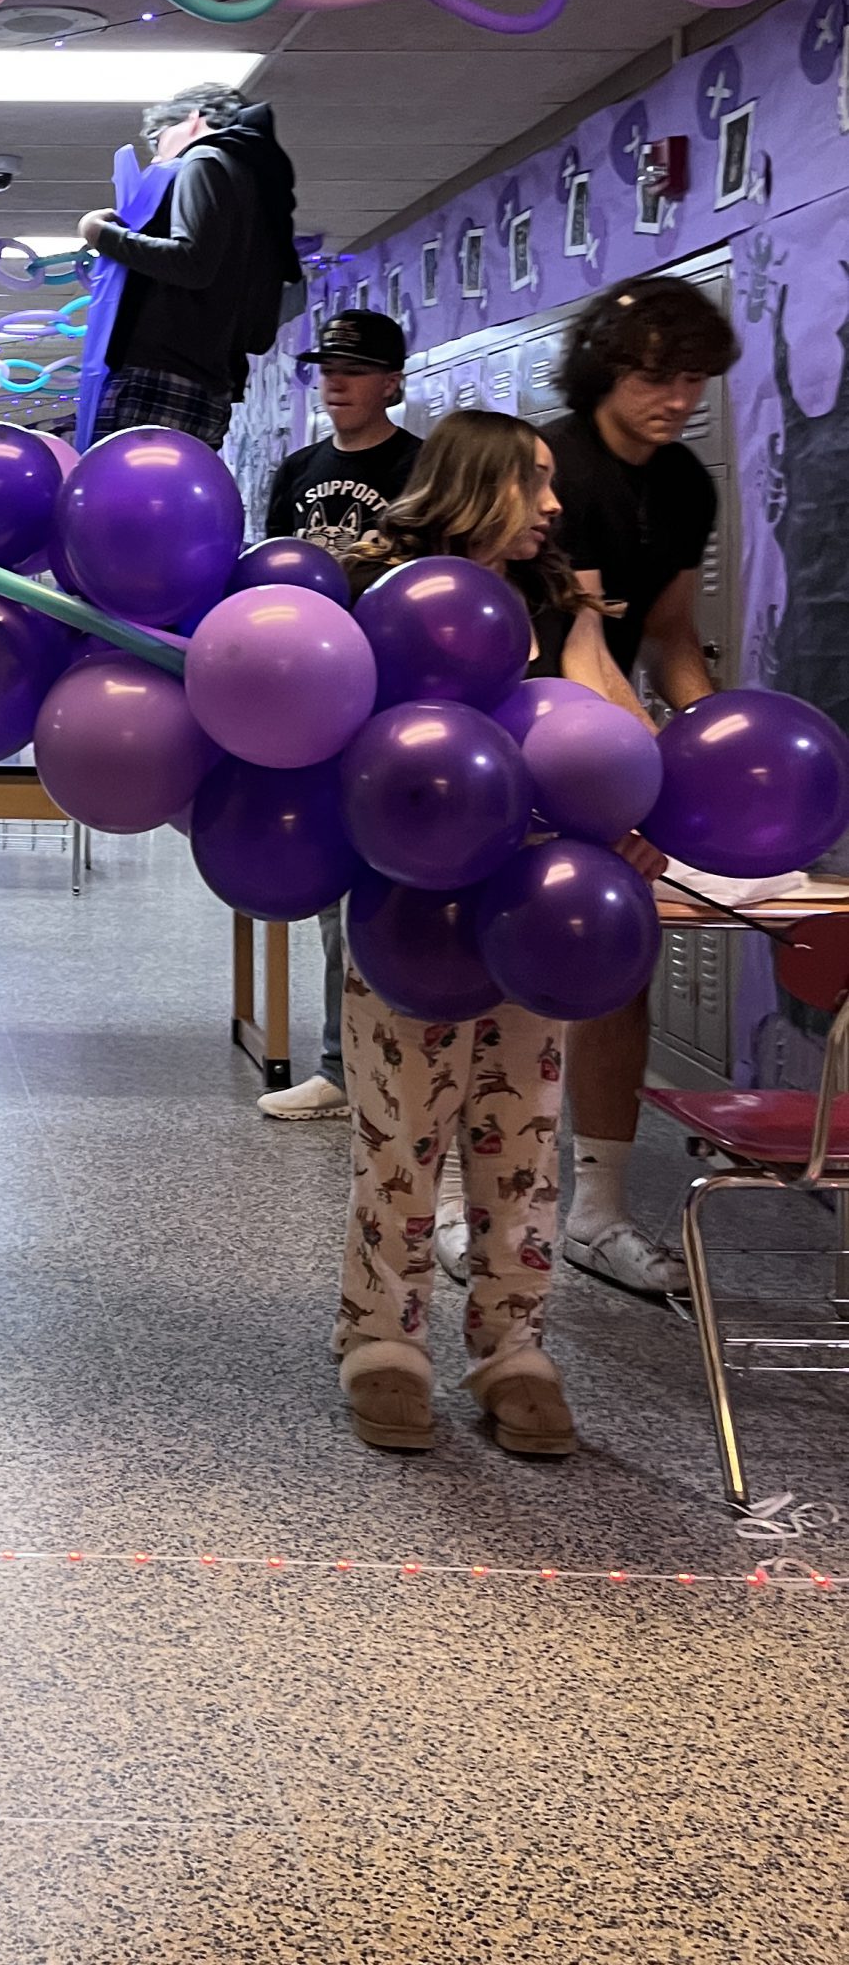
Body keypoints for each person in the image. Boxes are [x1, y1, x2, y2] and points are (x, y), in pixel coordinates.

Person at [334, 409, 650, 1457]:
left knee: (519, 1142)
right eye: (536, 480)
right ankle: (383, 1341)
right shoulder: (380, 585)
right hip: (409, 911)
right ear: (478, 480)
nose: (555, 505)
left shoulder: (559, 597)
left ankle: (514, 1346)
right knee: (403, 1132)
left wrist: (636, 814)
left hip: (535, 910)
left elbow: (610, 732)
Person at [544, 278, 742, 1300]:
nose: (679, 397)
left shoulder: (685, 488)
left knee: (619, 963)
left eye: (695, 378)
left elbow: (664, 634)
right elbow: (578, 645)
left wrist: (712, 740)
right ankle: (457, 1199)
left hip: (610, 739)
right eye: (658, 375)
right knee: (493, 974)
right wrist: (632, 777)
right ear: (606, 370)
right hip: (524, 731)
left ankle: (596, 1211)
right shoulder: (549, 468)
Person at [256, 310, 423, 1122]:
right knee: (328, 890)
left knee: (402, 883)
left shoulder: (420, 467)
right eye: (327, 366)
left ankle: (407, 1064)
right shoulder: (296, 469)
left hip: (394, 693)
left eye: (355, 368)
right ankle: (338, 1066)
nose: (336, 380)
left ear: (392, 380)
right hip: (312, 699)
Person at [74, 86, 302, 450]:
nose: (158, 154)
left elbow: (191, 262)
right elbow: (260, 333)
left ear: (195, 119)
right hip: (211, 389)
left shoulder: (204, 161)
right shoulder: (259, 192)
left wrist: (100, 234)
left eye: (158, 137)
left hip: (158, 377)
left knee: (120, 501)